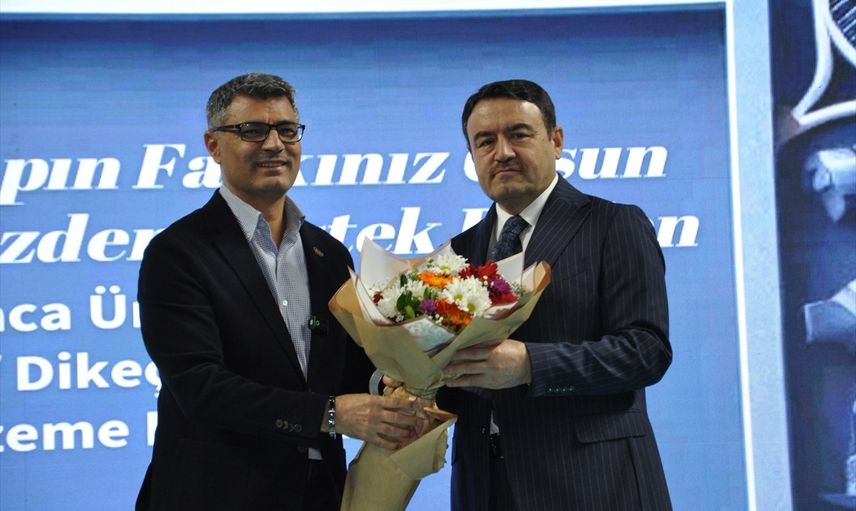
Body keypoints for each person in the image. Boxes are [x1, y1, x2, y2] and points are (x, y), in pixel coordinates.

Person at [135, 72, 422, 511]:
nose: (274, 144)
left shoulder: (328, 252)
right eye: (252, 130)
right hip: (215, 494)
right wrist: (330, 415)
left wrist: (399, 384)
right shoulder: (177, 253)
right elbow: (200, 387)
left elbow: (348, 369)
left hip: (321, 494)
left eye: (287, 130)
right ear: (213, 145)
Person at [438, 79, 673, 510]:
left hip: (595, 486)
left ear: (557, 140)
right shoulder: (456, 253)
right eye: (485, 141)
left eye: (518, 134)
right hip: (485, 488)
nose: (502, 152)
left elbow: (646, 351)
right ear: (471, 156)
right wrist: (414, 383)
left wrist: (530, 365)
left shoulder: (614, 224)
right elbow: (463, 382)